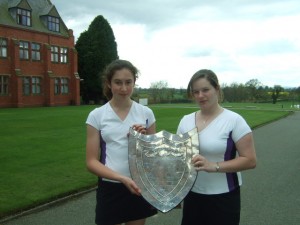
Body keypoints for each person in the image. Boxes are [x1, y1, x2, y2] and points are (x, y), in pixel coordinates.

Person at [177, 69, 257, 225]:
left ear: (217, 89)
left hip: (224, 197)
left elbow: (250, 160)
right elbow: (179, 159)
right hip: (192, 196)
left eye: (205, 90)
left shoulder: (234, 121)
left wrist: (214, 166)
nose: (200, 95)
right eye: (196, 92)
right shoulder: (185, 121)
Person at [85, 59, 157, 225]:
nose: (124, 88)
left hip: (139, 185)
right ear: (109, 84)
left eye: (128, 82)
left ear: (134, 82)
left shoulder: (146, 113)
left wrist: (144, 140)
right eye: (118, 82)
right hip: (110, 187)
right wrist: (122, 178)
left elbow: (154, 157)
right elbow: (91, 162)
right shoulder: (97, 115)